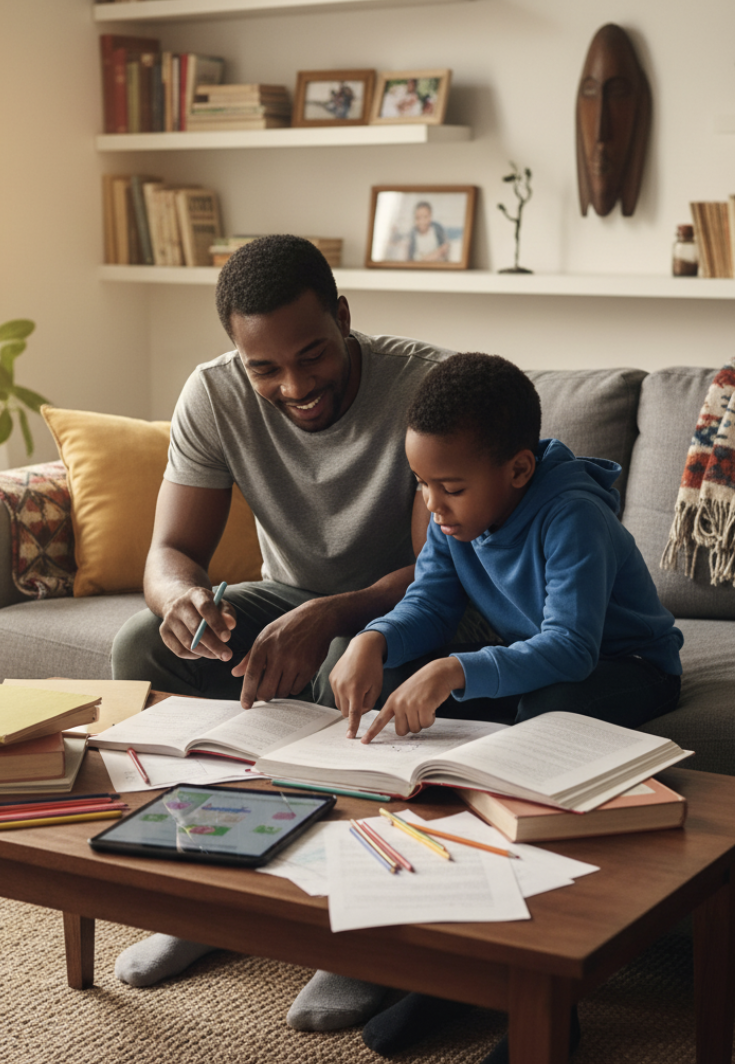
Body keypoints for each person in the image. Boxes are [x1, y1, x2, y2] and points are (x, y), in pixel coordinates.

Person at [110, 234, 458, 1031]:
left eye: (313, 356)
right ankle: (205, 888)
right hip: (294, 595)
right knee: (142, 646)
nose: (295, 386)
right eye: (265, 368)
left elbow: (439, 572)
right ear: (238, 354)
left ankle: (358, 930)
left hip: (408, 609)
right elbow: (169, 554)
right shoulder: (213, 393)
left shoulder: (425, 386)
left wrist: (333, 613)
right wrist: (182, 600)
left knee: (343, 663)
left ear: (343, 317)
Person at [330, 352, 684, 1060]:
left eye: (450, 487)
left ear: (518, 471)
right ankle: (455, 971)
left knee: (540, 720)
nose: (433, 505)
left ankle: (549, 1005)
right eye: (424, 485)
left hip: (626, 666)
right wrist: (372, 635)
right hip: (539, 665)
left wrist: (457, 669)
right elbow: (429, 604)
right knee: (435, 739)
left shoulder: (571, 516)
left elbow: (573, 649)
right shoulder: (451, 518)